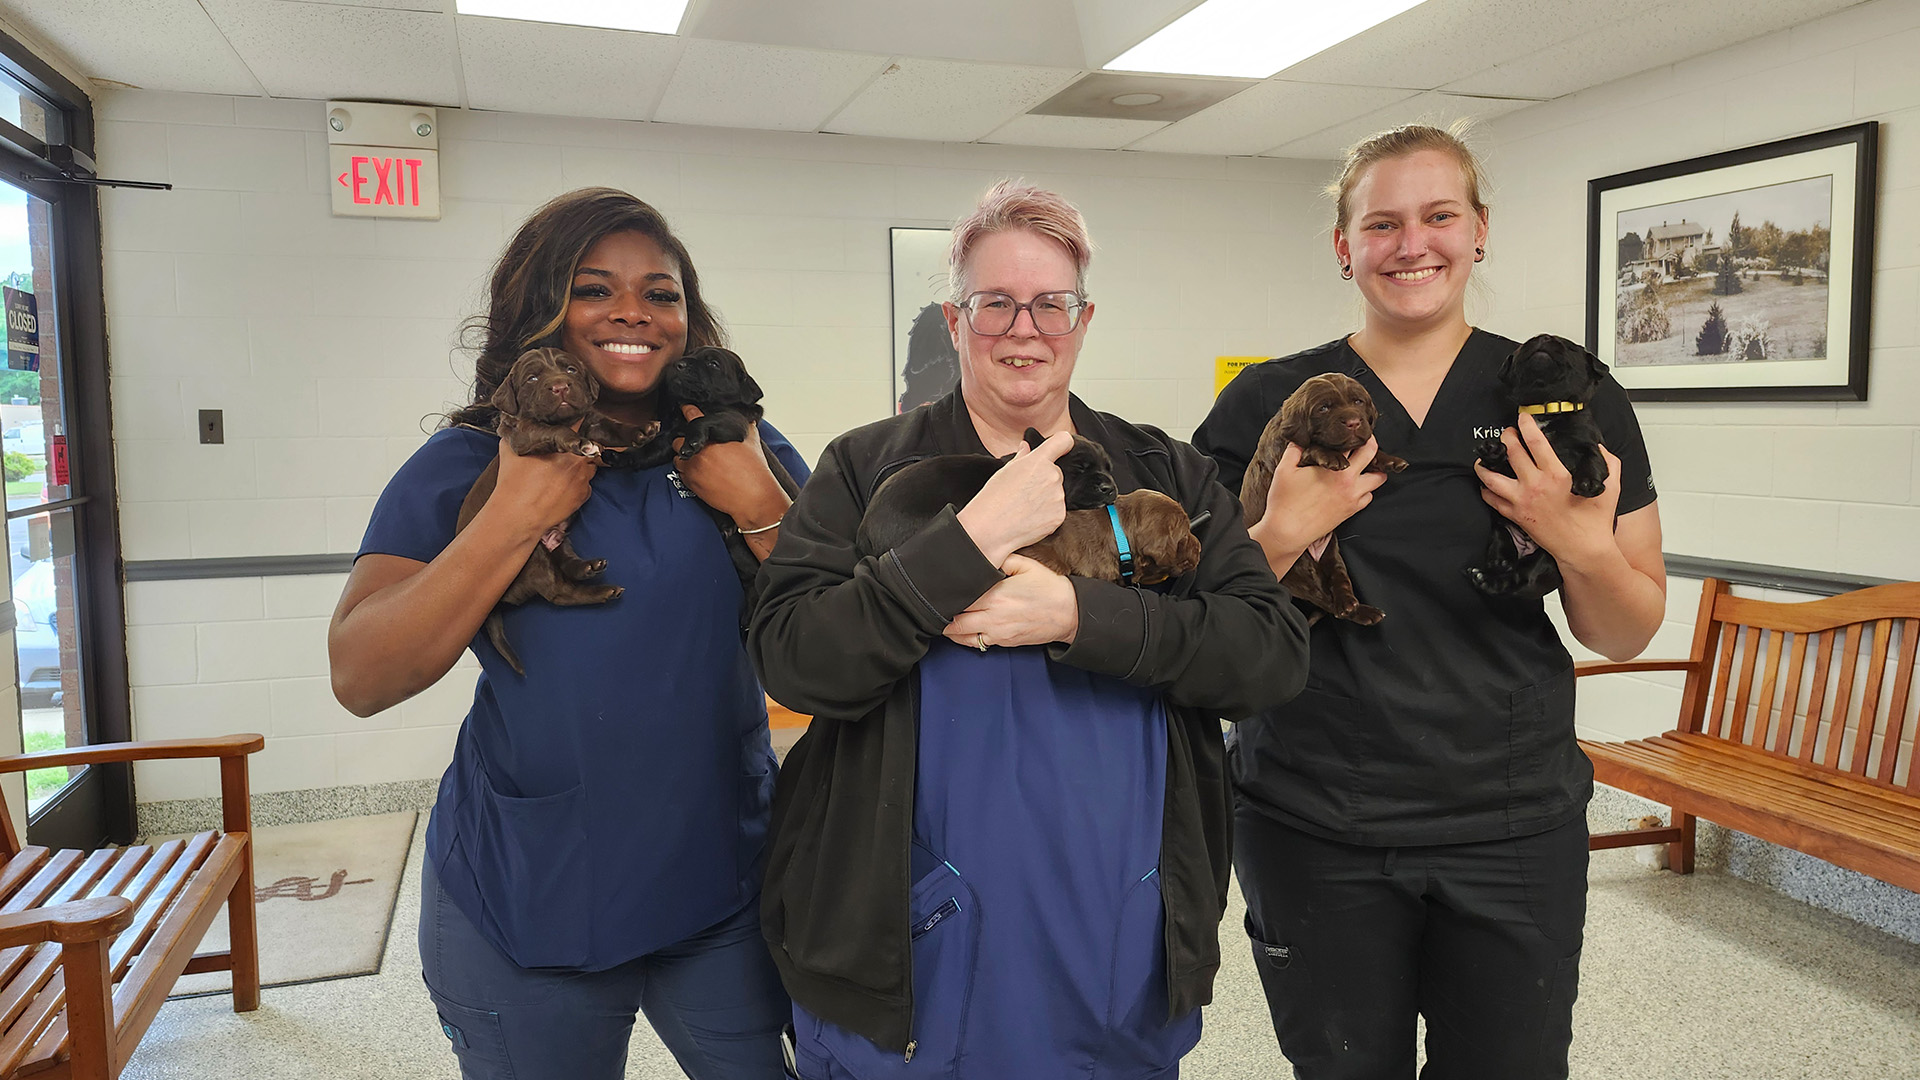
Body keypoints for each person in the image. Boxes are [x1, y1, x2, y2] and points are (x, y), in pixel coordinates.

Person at [749, 181, 1309, 1080]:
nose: (1025, 328)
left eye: (1051, 304)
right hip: (909, 941)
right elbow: (795, 661)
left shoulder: (1168, 470)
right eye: (995, 303)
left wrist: (1080, 615)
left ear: (1084, 318)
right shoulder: (865, 468)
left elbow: (1269, 654)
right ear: (955, 318)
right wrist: (964, 546)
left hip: (1115, 934)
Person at [1192, 125, 1667, 1079]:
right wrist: (1282, 534)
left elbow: (1623, 630)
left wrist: (1578, 544)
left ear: (1478, 230)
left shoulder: (1563, 396)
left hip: (1511, 819)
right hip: (1314, 817)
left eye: (1439, 215)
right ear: (1345, 246)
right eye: (1383, 223)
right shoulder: (1269, 405)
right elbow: (1199, 623)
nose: (1414, 244)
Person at [327, 188, 806, 1080]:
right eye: (595, 288)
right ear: (542, 309)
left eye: (661, 293)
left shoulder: (744, 448)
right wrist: (512, 516)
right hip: (530, 891)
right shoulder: (468, 465)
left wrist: (760, 502)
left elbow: (840, 644)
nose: (633, 311)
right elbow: (361, 675)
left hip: (721, 877)